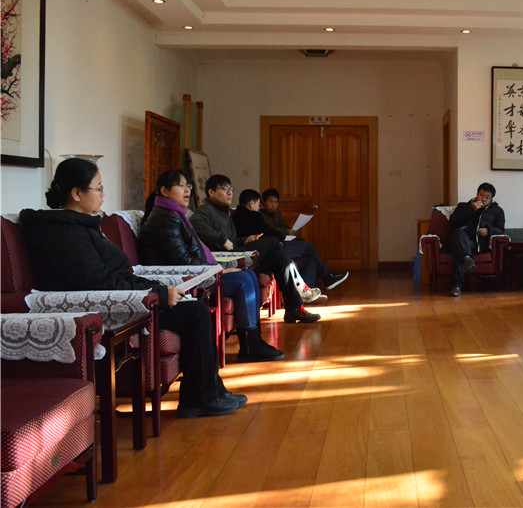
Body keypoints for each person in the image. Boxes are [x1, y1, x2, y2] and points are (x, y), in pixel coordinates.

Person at [19, 158, 244, 418]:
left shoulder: (80, 225)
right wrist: (157, 294)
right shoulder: (65, 233)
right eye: (98, 188)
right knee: (195, 313)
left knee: (193, 307)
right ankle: (200, 398)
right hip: (99, 308)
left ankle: (211, 391)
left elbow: (115, 275)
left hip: (118, 296)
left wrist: (156, 287)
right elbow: (98, 283)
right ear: (77, 193)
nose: (103, 194)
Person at [138, 171, 284, 363]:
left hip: (199, 271)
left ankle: (252, 340)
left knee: (248, 275)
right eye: (181, 185)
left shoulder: (175, 215)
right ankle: (251, 343)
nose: (187, 190)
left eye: (188, 186)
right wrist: (218, 272)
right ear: (164, 191)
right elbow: (183, 261)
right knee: (243, 280)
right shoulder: (165, 219)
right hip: (183, 279)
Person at [190, 174, 321, 324]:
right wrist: (222, 239)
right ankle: (300, 288)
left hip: (234, 251)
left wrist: (244, 239)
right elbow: (195, 224)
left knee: (277, 258)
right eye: (225, 189)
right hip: (225, 257)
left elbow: (232, 240)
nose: (230, 193)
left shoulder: (223, 212)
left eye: (231, 189)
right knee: (273, 241)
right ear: (211, 192)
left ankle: (294, 309)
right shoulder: (205, 210)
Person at [233, 189, 348, 291]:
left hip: (271, 247)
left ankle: (309, 290)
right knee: (308, 247)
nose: (259, 207)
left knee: (309, 261)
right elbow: (269, 233)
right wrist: (283, 235)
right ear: (251, 204)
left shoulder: (241, 216)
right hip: (271, 250)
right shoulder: (253, 216)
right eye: (258, 204)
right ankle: (326, 278)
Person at [444, 183, 505, 297]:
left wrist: (488, 230)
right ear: (477, 194)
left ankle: (456, 286)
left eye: (487, 197)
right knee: (459, 235)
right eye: (481, 195)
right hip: (457, 239)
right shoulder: (463, 206)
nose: (484, 199)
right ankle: (467, 257)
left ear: (491, 199)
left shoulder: (497, 211)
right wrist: (471, 209)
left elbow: (501, 230)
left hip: (477, 244)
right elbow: (453, 222)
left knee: (460, 251)